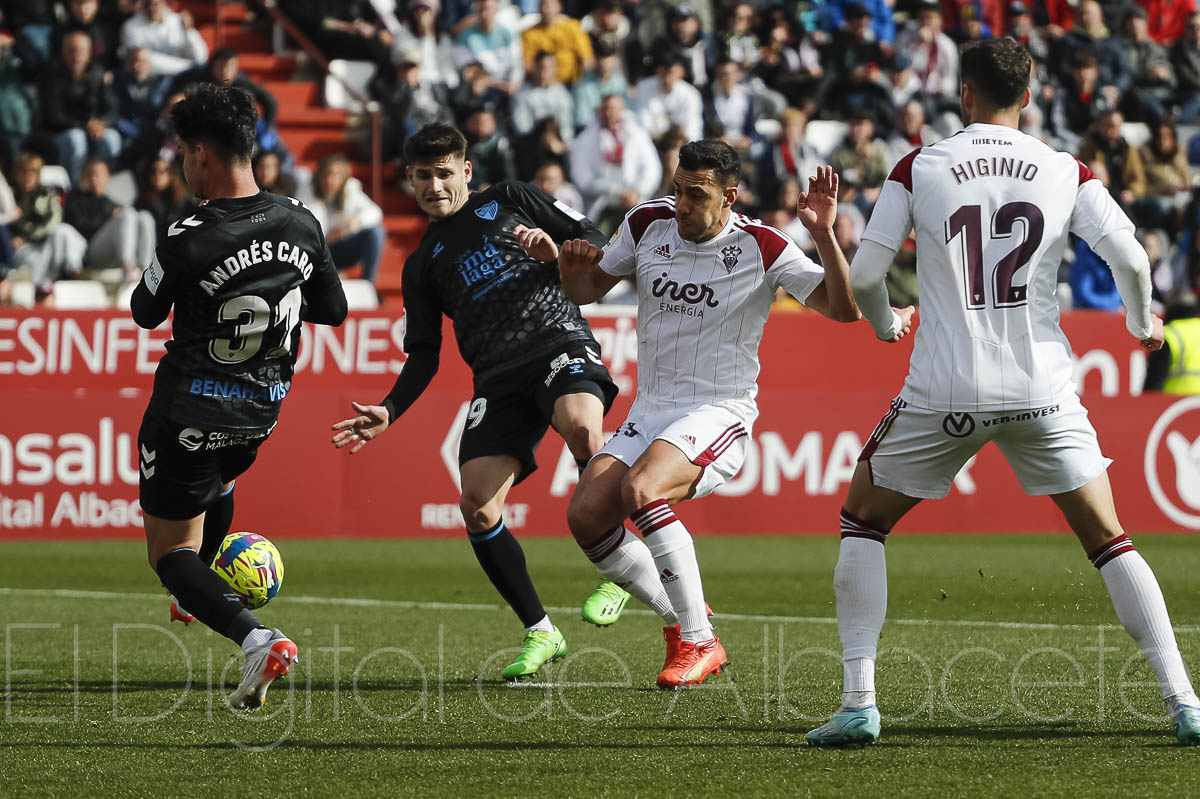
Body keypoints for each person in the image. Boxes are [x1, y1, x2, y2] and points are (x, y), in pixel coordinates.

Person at [805, 36, 1200, 747]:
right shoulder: (1062, 167)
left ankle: (859, 702)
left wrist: (885, 322)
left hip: (945, 386)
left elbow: (866, 277)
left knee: (862, 518)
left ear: (965, 94)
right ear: (1031, 92)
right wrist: (1141, 324)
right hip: (1042, 388)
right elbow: (1135, 258)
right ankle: (1184, 701)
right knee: (1111, 539)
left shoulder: (919, 165)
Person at [555, 140, 858, 688]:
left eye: (696, 195)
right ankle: (685, 622)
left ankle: (698, 641)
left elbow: (844, 310)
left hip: (719, 409)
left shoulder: (763, 246)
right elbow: (588, 290)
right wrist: (569, 270)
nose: (682, 205)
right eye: (678, 190)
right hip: (651, 409)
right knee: (586, 516)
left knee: (643, 490)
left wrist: (822, 235)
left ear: (728, 197)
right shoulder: (647, 224)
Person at [330, 123, 624, 682]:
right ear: (410, 180)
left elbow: (592, 236)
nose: (434, 185)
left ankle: (617, 562)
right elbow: (423, 355)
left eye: (445, 173)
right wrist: (389, 409)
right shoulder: (423, 263)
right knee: (477, 507)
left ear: (466, 171)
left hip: (557, 340)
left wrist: (557, 251)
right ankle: (541, 630)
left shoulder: (511, 198)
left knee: (582, 428)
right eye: (423, 176)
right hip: (496, 379)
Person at [129, 84, 348, 710]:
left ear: (202, 153)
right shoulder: (300, 220)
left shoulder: (187, 231)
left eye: (182, 153)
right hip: (260, 414)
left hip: (189, 412)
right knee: (219, 488)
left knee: (171, 552)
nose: (180, 164)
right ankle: (207, 589)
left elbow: (146, 312)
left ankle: (256, 639)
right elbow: (332, 308)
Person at [309, 154, 386, 286]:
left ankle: (369, 284)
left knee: (376, 232)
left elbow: (375, 212)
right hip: (314, 253)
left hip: (339, 249)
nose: (330, 180)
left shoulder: (350, 190)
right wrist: (328, 235)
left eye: (336, 175)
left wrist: (353, 223)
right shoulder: (308, 191)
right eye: (327, 174)